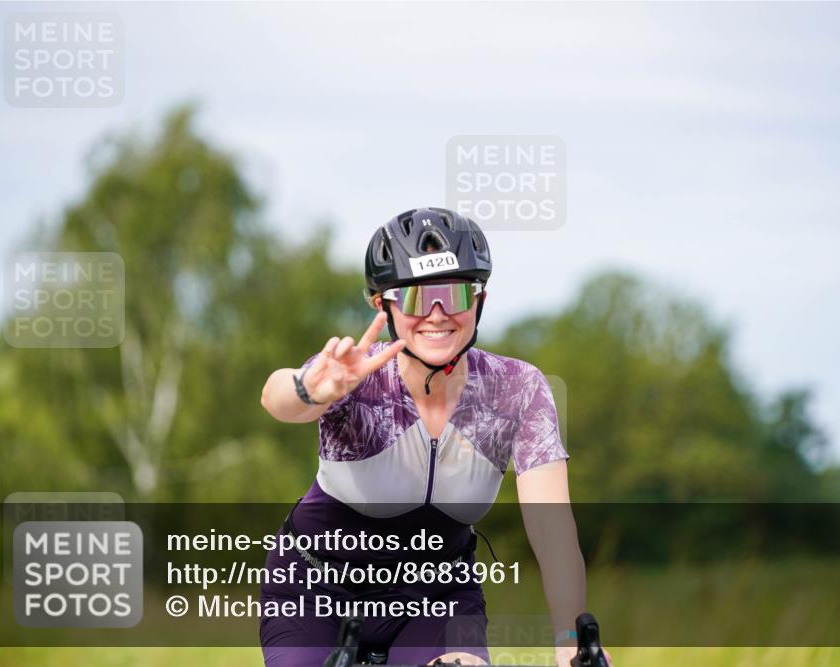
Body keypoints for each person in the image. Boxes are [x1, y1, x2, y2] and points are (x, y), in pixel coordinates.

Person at [259, 207, 612, 666]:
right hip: (315, 590)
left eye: (454, 292)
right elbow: (276, 398)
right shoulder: (356, 373)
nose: (437, 313)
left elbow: (553, 529)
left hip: (437, 601)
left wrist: (570, 637)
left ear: (479, 299)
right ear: (382, 305)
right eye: (415, 298)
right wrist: (312, 388)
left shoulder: (517, 390)